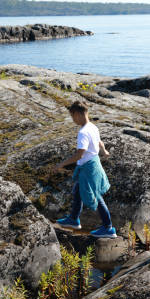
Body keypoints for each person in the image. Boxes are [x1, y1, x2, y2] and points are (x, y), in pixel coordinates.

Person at [54, 101, 116, 238]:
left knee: (96, 196)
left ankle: (108, 228)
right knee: (77, 190)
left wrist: (61, 164)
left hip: (89, 168)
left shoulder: (83, 132)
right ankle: (74, 219)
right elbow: (100, 142)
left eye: (72, 116)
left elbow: (79, 154)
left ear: (77, 114)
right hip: (94, 164)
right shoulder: (93, 127)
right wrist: (104, 151)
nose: (73, 119)